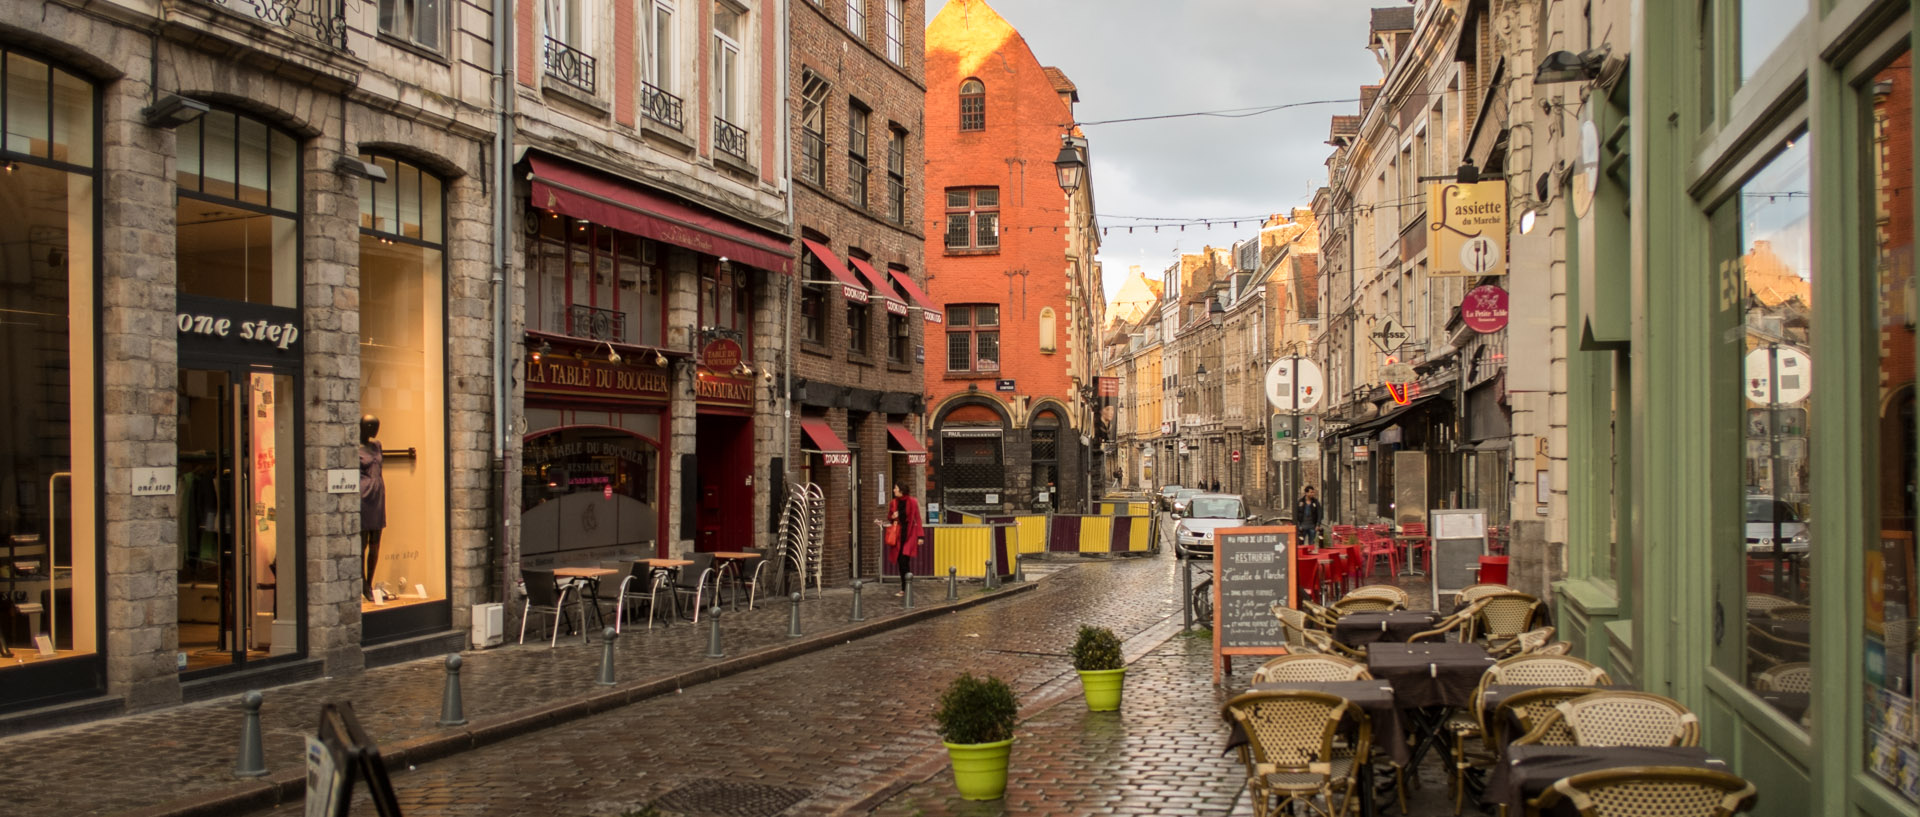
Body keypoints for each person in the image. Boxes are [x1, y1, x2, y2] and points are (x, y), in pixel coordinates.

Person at [880, 481, 923, 596]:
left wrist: (920, 536)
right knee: (900, 561)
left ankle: (906, 587)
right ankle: (905, 586)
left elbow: (917, 518)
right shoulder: (893, 503)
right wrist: (892, 516)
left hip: (909, 535)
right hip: (898, 535)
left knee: (904, 560)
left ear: (901, 490)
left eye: (895, 488)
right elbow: (889, 517)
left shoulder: (912, 502)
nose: (894, 490)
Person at [360, 415, 387, 602]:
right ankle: (362, 584)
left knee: (376, 543)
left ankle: (370, 583)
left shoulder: (377, 445)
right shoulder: (355, 449)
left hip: (378, 496)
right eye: (371, 426)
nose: (374, 430)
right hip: (362, 496)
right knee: (362, 544)